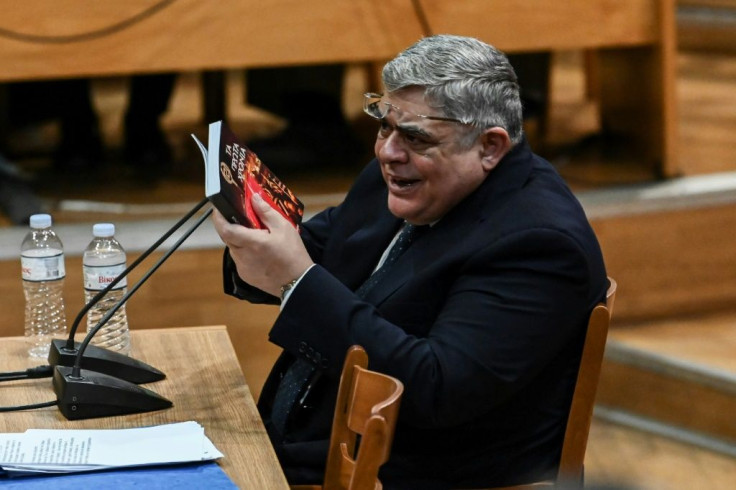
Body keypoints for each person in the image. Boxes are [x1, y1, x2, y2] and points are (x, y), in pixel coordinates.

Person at [213, 34, 608, 489]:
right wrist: (251, 231)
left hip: (406, 474)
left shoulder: (539, 244)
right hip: (315, 448)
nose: (387, 151)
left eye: (416, 137)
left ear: (490, 146)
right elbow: (318, 248)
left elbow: (436, 388)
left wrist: (294, 280)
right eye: (384, 125)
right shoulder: (404, 173)